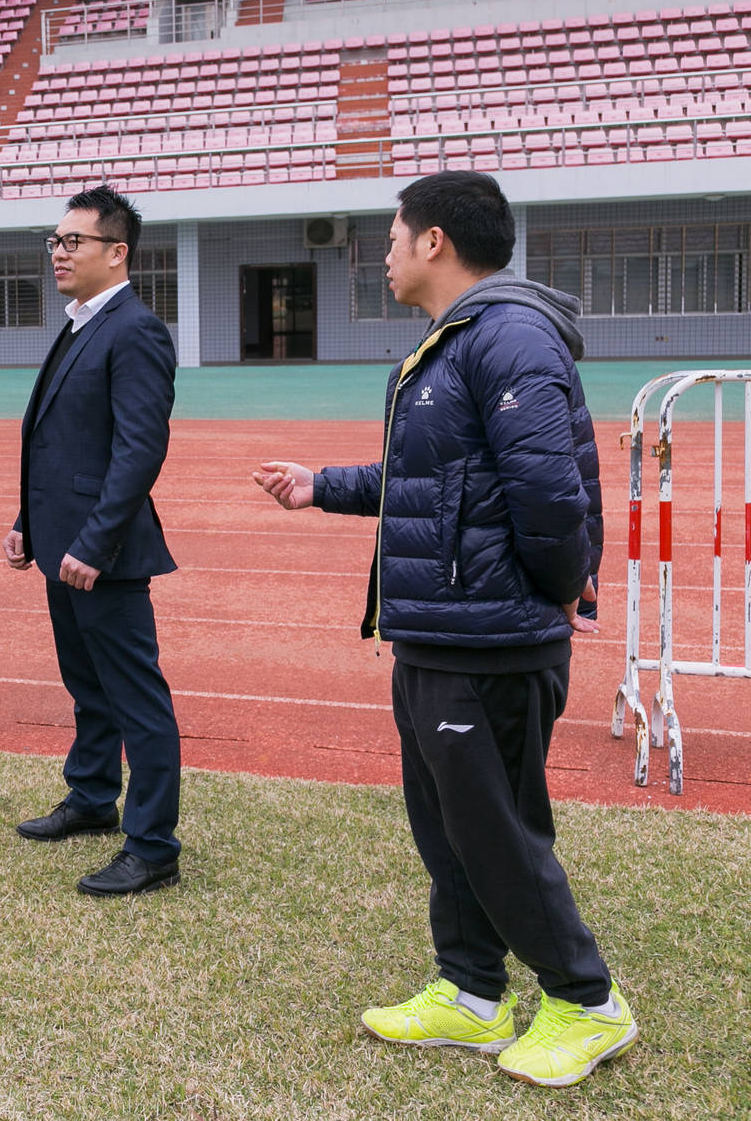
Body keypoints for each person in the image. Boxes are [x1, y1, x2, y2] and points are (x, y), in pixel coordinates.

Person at [252, 171, 633, 1088]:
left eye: (391, 238)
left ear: (434, 242)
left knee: (496, 832)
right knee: (449, 826)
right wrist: (320, 486)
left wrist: (553, 596)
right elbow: (429, 483)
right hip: (439, 631)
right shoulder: (453, 341)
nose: (382, 256)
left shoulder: (509, 338)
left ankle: (587, 1003)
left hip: (491, 640)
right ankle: (471, 990)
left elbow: (551, 497)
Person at [2, 186, 183, 897]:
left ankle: (153, 846)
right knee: (88, 686)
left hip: (102, 554)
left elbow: (139, 450)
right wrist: (28, 520)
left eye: (73, 241)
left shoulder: (135, 330)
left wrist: (96, 543)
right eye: (55, 240)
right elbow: (60, 440)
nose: (58, 252)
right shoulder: (82, 323)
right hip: (62, 544)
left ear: (117, 252)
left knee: (137, 698)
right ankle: (92, 796)